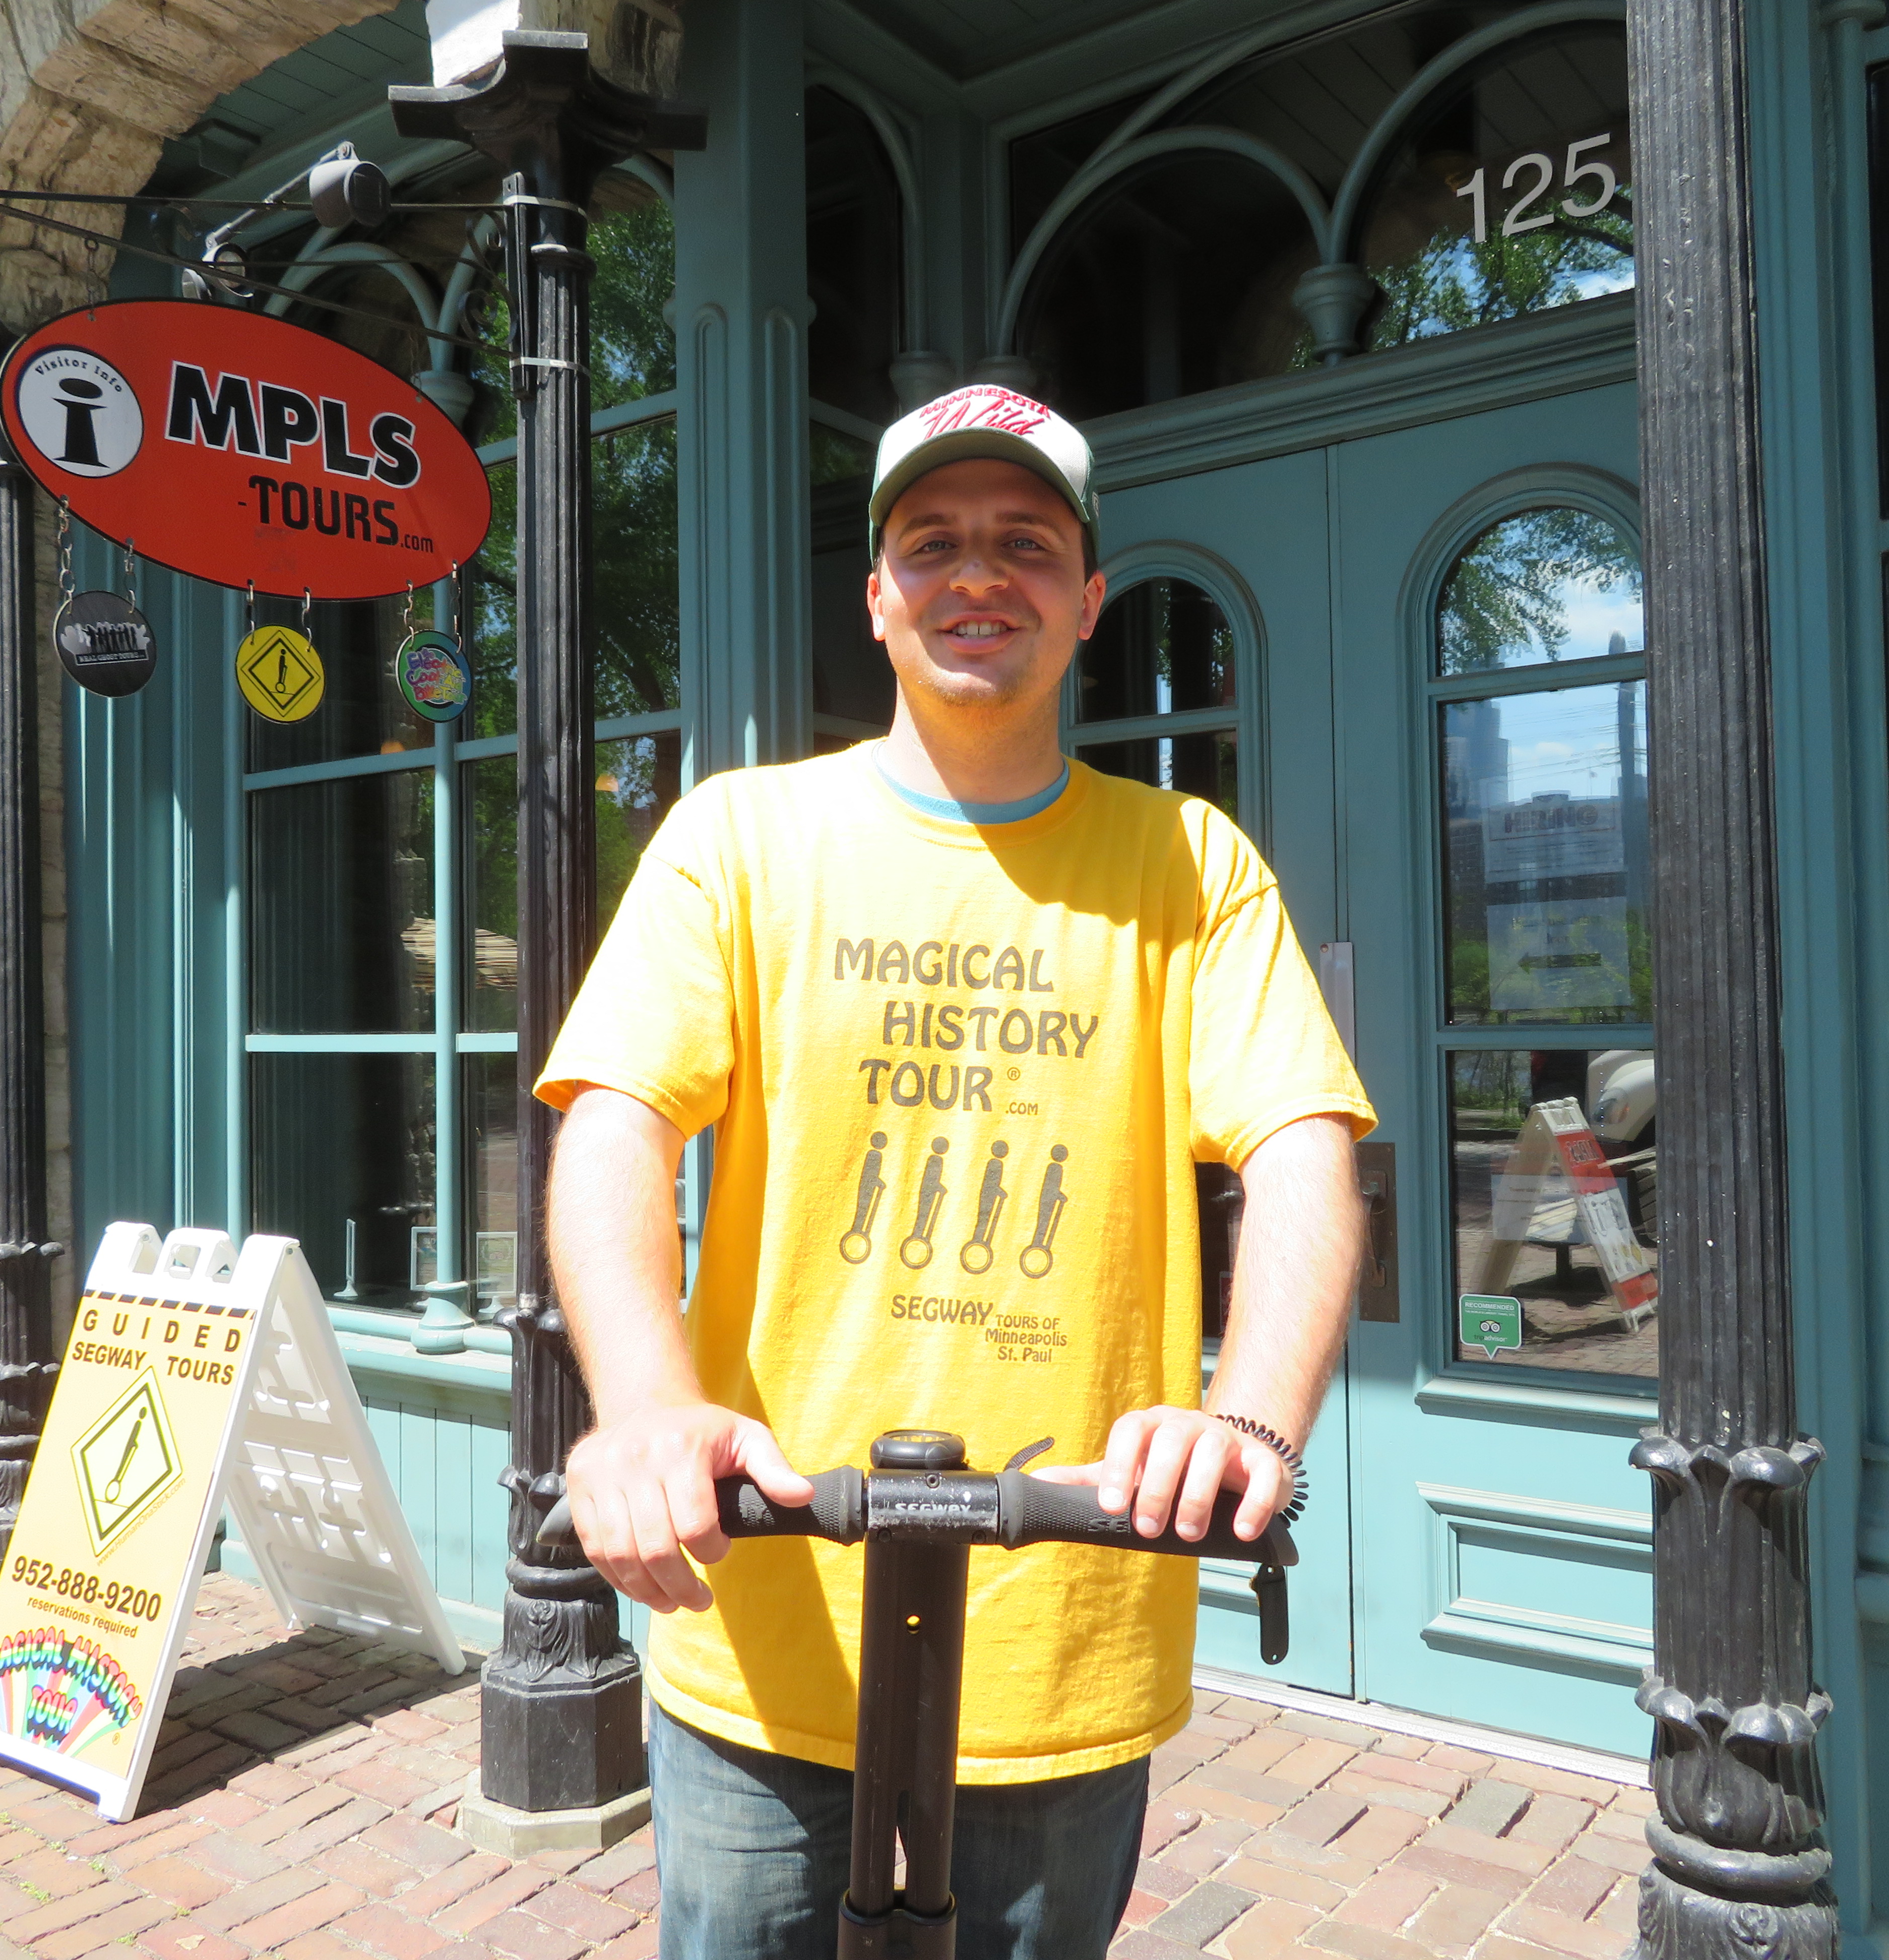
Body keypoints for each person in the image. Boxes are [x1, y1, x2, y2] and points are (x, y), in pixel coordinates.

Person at [536, 384, 1375, 1960]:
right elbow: (614, 1126)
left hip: (1065, 1616)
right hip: (767, 1616)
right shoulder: (741, 839)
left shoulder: (1189, 864)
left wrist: (1252, 1417)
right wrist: (646, 1410)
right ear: (877, 598)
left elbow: (1304, 1146)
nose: (976, 574)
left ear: (1089, 602)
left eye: (1025, 545)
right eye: (932, 543)